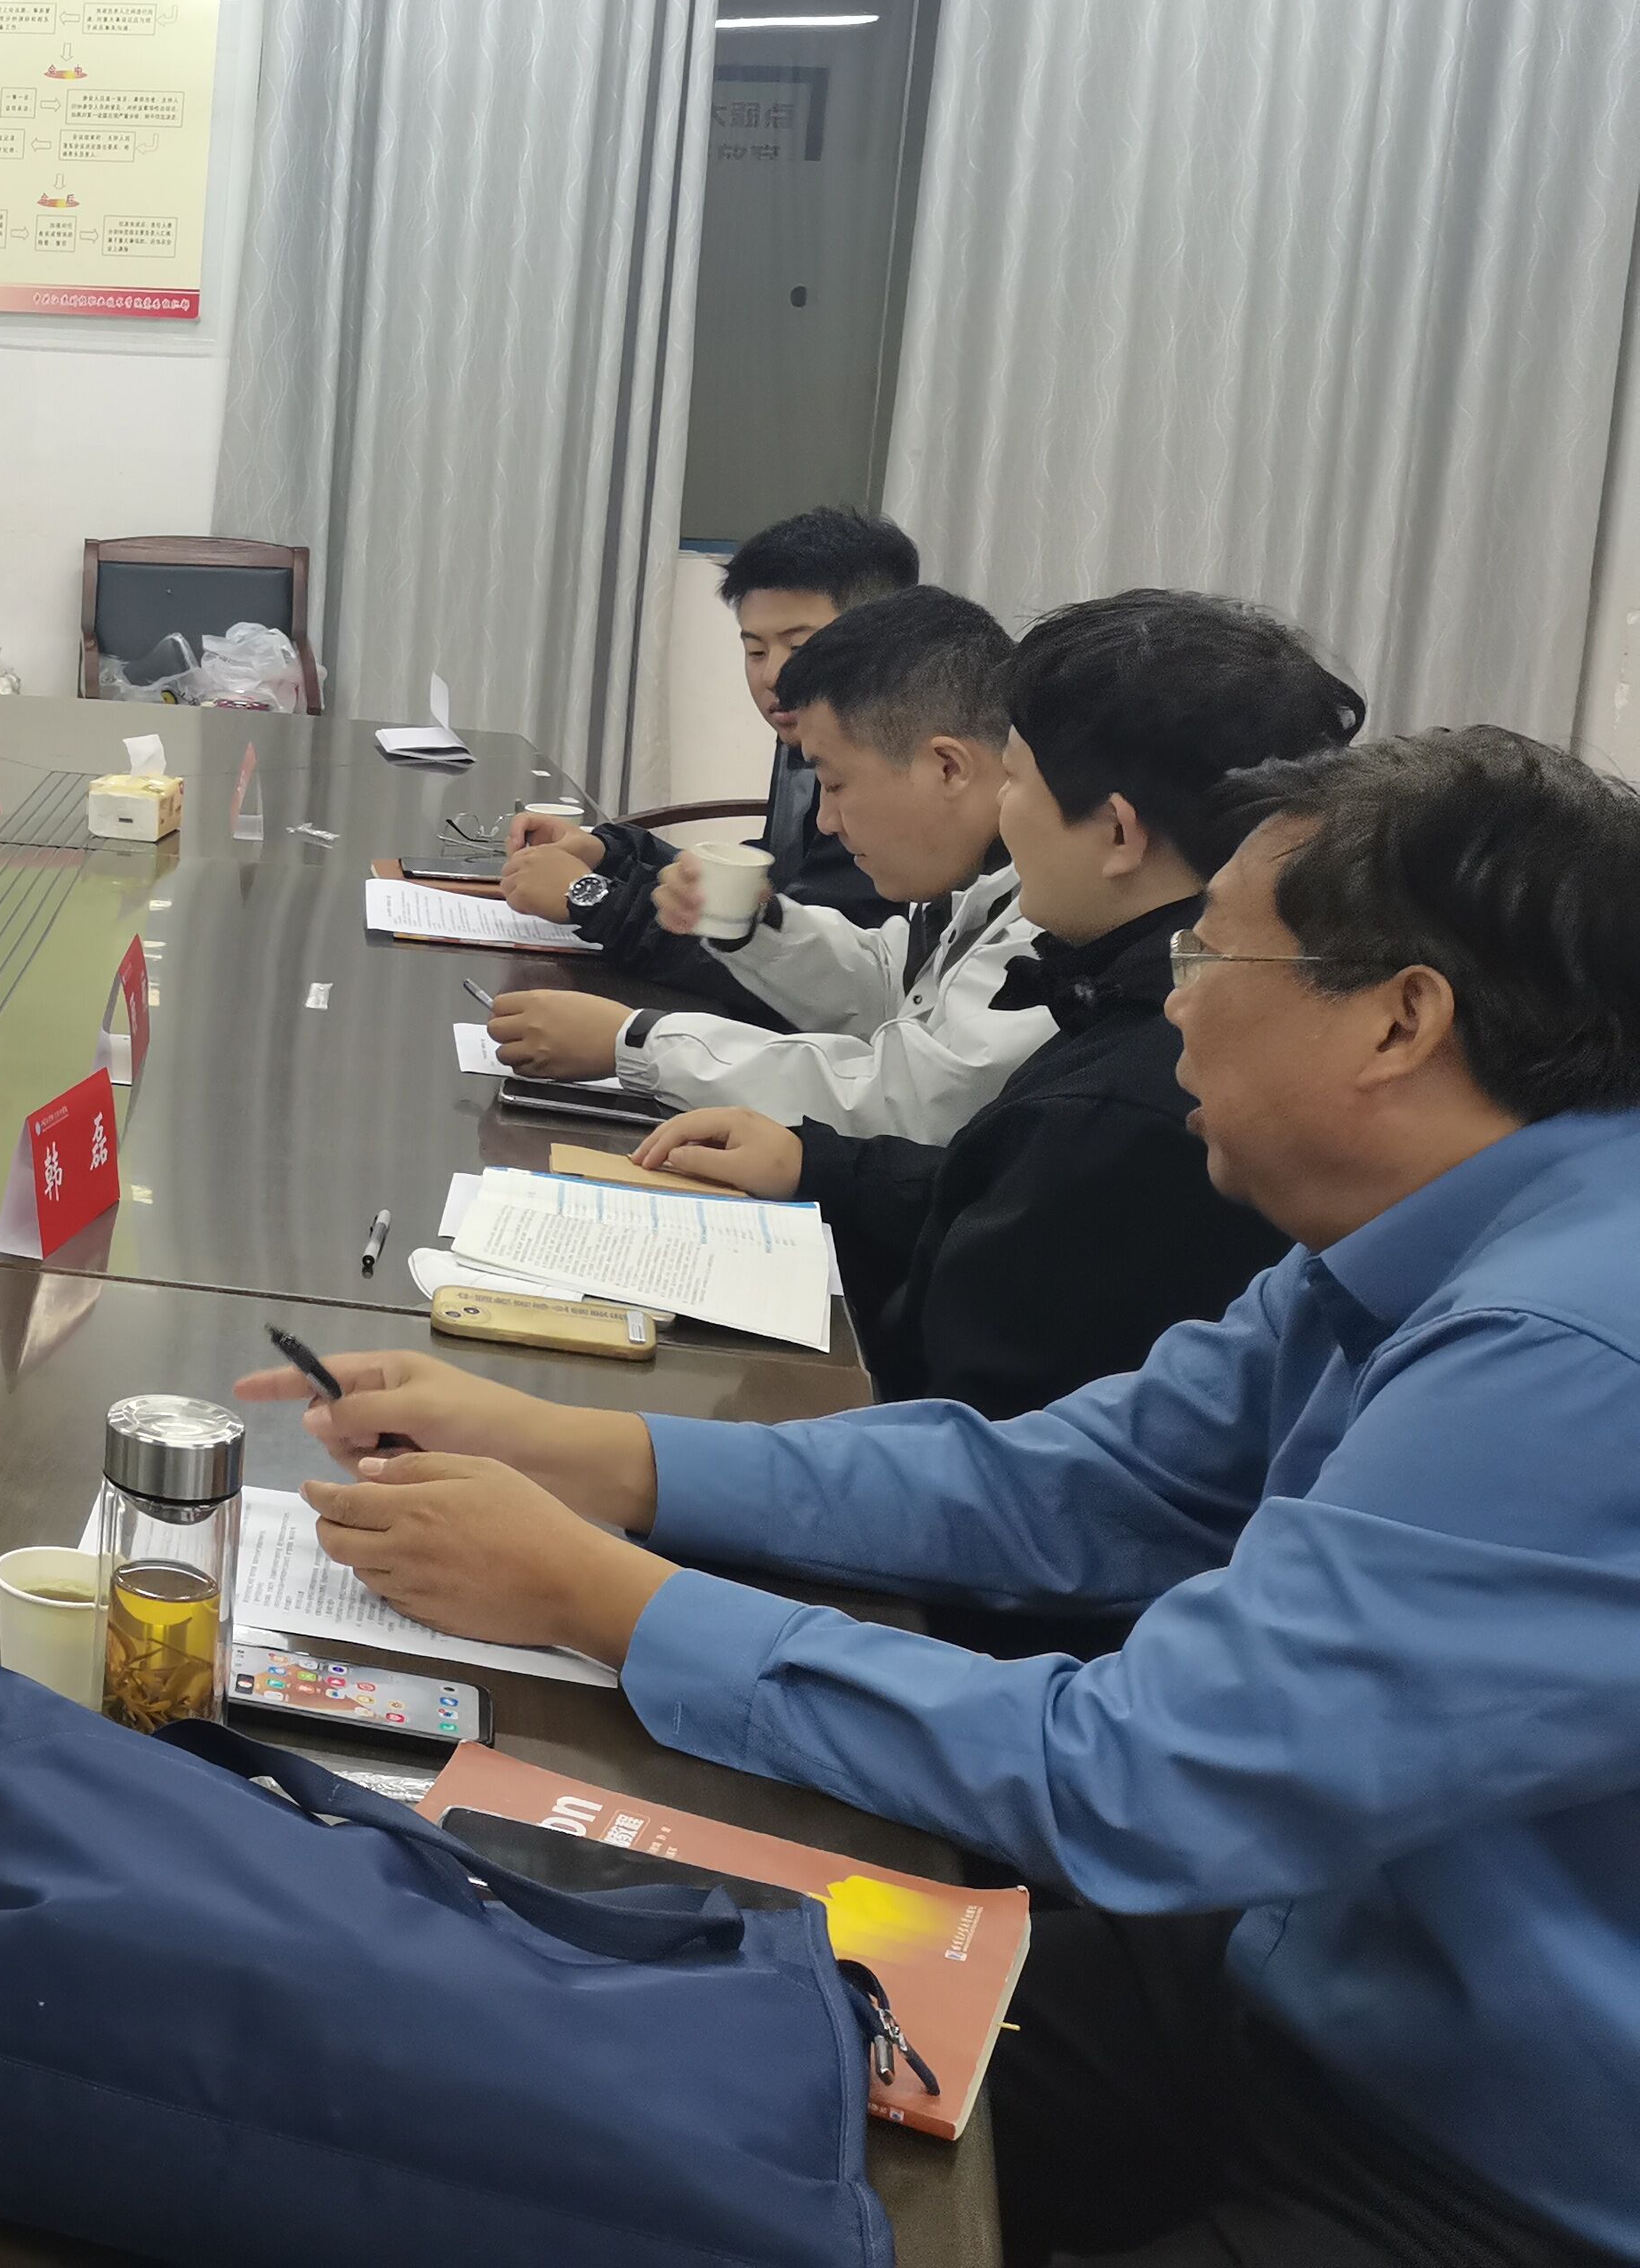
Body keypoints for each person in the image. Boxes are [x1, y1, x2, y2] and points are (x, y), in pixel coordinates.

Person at [247, 728, 1640, 2268]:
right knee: (581, 2075)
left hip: (1498, 2156)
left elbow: (1143, 1774)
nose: (1173, 999)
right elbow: (1075, 1480)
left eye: (1210, 953)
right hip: (1298, 1964)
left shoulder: (1568, 1353)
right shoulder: (1416, 1231)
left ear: (1398, 1019)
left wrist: (599, 1595)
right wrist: (583, 1451)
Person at [637, 591, 1364, 1421]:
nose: (1001, 816)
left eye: (1013, 779)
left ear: (1119, 834)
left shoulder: (1136, 1093)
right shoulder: (1131, 987)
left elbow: (977, 1417)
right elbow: (1003, 1190)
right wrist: (817, 1165)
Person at [490, 585, 1050, 1138]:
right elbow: (889, 984)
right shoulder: (981, 877)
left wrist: (639, 1043)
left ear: (948, 768)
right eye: (755, 649)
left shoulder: (1050, 923)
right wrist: (749, 928)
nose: (827, 819)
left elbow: (905, 1102)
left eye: (836, 784)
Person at [498, 507, 915, 1017]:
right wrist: (611, 854)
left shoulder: (895, 769)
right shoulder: (803, 732)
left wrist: (591, 898)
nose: (774, 675)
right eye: (756, 651)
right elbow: (767, 893)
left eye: (800, 646)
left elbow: (789, 976)